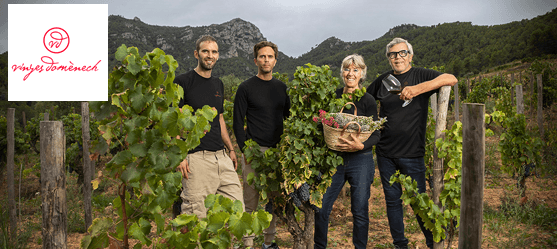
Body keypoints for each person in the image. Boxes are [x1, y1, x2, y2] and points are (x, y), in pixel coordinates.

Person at [366, 37, 457, 249]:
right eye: (393, 54)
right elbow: (365, 101)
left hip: (412, 152)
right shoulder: (382, 81)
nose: (398, 58)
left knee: (419, 201)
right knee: (392, 202)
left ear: (410, 55)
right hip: (385, 152)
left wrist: (418, 89)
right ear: (388, 58)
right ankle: (400, 245)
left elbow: (451, 78)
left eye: (402, 53)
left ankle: (432, 242)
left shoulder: (421, 74)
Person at [314, 54, 381, 249]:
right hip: (335, 159)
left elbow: (376, 134)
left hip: (361, 160)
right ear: (342, 72)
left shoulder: (368, 100)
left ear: (362, 74)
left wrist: (361, 146)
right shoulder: (334, 96)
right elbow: (323, 123)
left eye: (355, 70)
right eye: (347, 69)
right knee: (322, 207)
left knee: (359, 210)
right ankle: (320, 246)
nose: (350, 73)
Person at [174, 35, 244, 219]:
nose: (209, 55)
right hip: (195, 159)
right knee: (195, 216)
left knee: (239, 209)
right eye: (205, 51)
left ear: (218, 56)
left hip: (221, 157)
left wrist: (230, 149)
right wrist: (179, 155)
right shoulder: (182, 82)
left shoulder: (218, 84)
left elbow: (219, 119)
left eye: (213, 52)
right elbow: (175, 121)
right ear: (197, 54)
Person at [233, 41, 290, 249]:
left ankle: (269, 243)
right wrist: (245, 149)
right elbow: (237, 123)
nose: (266, 60)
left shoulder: (282, 88)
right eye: (262, 56)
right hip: (253, 153)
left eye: (270, 56)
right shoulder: (245, 88)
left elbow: (288, 119)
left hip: (276, 154)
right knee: (250, 202)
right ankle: (247, 243)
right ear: (255, 59)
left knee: (272, 202)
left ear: (275, 60)